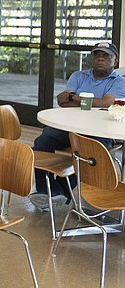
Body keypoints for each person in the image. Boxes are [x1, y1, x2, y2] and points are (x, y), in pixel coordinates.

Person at [30, 41, 125, 210]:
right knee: (43, 141)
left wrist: (74, 97)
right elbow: (61, 101)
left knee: (88, 150)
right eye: (97, 55)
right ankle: (46, 191)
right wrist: (90, 102)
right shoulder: (79, 76)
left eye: (106, 56)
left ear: (115, 61)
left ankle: (62, 191)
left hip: (100, 132)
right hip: (69, 127)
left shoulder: (119, 82)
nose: (100, 59)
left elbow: (105, 103)